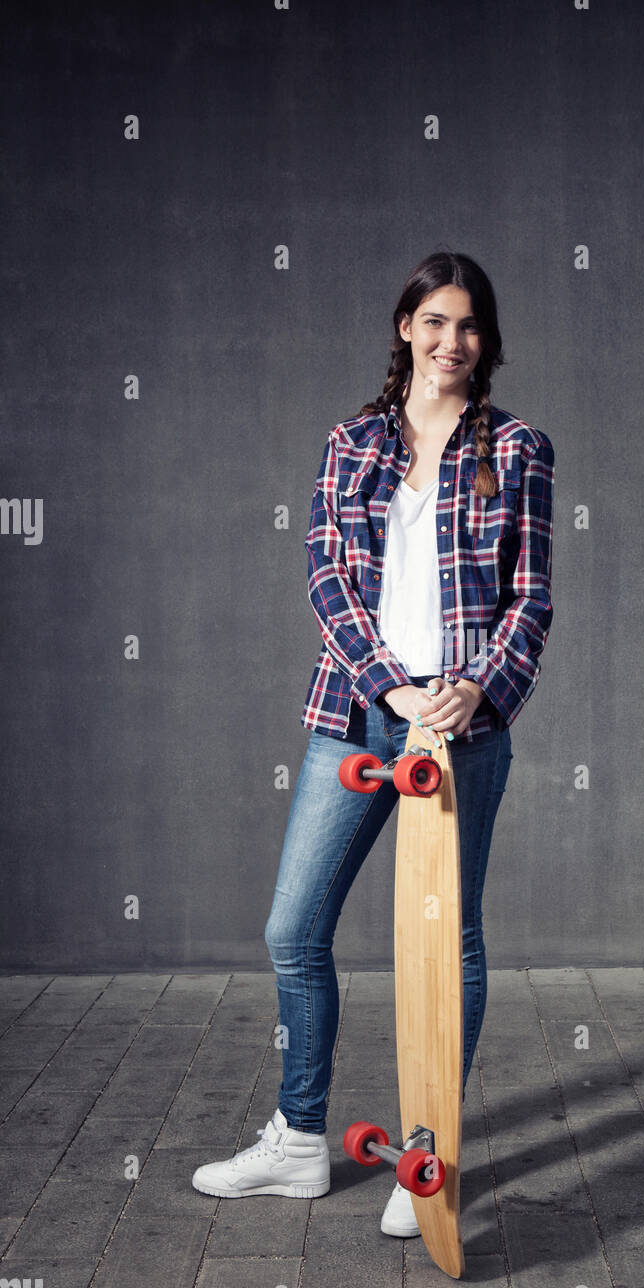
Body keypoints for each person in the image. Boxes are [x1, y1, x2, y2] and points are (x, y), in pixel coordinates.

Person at [192, 250, 555, 1238]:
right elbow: (325, 579)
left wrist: (475, 686)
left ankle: (422, 1159)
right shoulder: (350, 442)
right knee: (292, 927)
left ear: (485, 341)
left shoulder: (518, 447)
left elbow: (531, 597)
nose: (451, 342)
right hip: (358, 709)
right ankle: (299, 1142)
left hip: (463, 724)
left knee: (450, 941)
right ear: (405, 327)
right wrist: (389, 685)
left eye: (469, 325)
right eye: (433, 321)